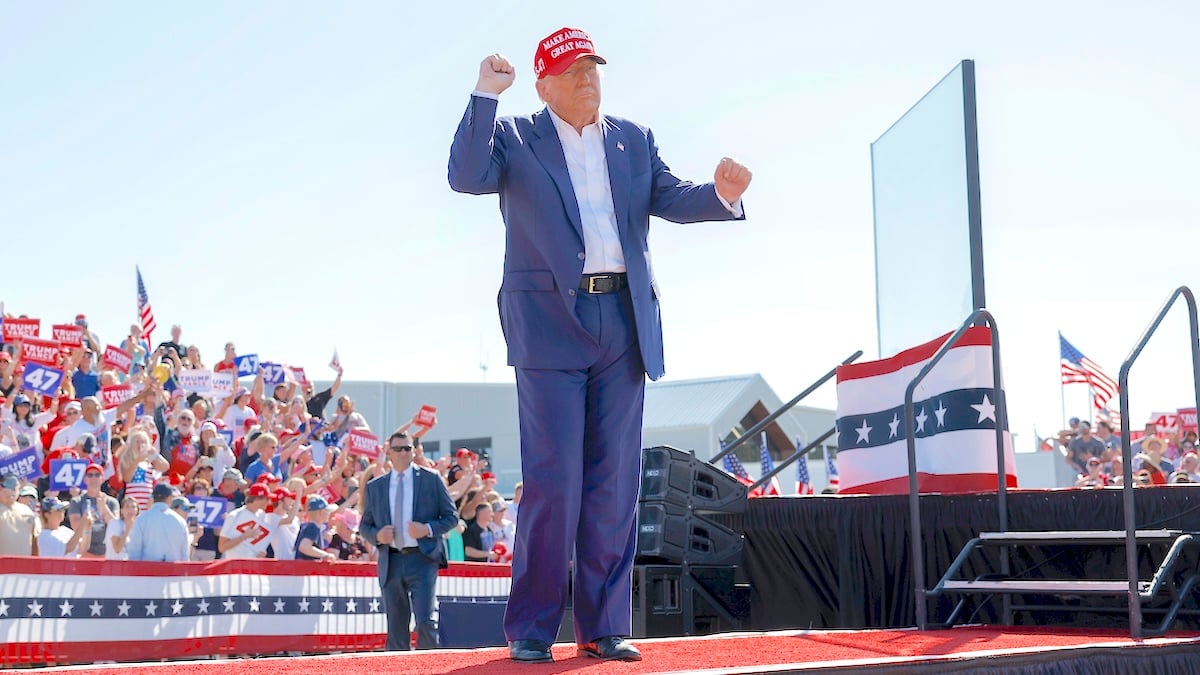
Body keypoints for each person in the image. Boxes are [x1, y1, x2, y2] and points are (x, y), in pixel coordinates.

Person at [448, 27, 751, 664]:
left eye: (593, 67)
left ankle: (604, 627)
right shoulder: (516, 136)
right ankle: (531, 629)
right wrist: (483, 96)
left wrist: (723, 193)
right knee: (553, 481)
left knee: (615, 484)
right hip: (550, 322)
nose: (587, 78)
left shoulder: (634, 139)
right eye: (572, 69)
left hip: (625, 319)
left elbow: (673, 198)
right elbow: (465, 175)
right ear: (544, 84)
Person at [360, 430, 458, 651]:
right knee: (396, 626)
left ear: (414, 451)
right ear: (389, 452)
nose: (404, 453)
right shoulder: (376, 486)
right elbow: (364, 526)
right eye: (399, 449)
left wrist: (428, 528)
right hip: (391, 560)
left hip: (422, 559)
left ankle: (431, 669)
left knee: (425, 621)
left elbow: (452, 517)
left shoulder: (431, 479)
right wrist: (377, 535)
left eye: (408, 448)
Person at [125, 483, 192, 562]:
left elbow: (134, 552)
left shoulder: (141, 519)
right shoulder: (180, 521)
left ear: (153, 497)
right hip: (173, 571)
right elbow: (184, 555)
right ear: (169, 498)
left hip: (147, 570)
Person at [0, 475, 40, 555]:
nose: (10, 491)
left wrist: (36, 564)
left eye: (14, 486)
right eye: (6, 486)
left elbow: (34, 541)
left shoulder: (27, 511)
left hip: (23, 565)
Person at [294, 495, 338, 562]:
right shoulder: (313, 527)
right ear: (320, 513)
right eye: (326, 511)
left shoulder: (306, 526)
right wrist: (326, 555)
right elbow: (304, 547)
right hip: (305, 570)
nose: (329, 514)